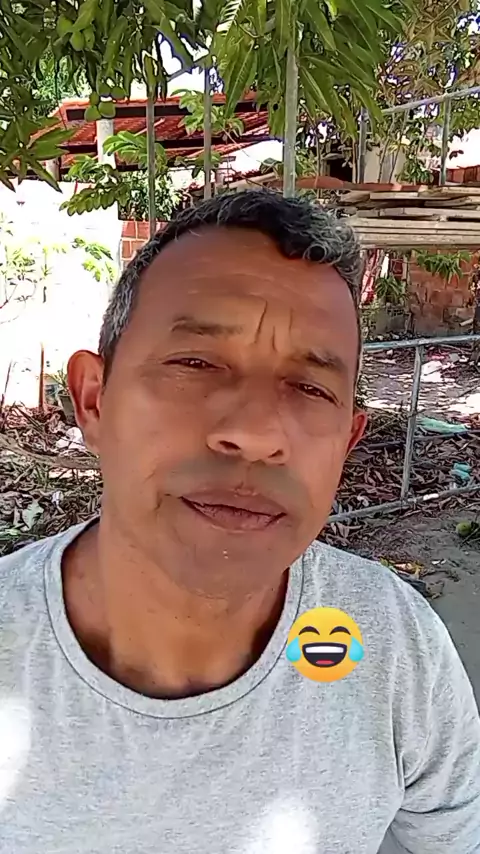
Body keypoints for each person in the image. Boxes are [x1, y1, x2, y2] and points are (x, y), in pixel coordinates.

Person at [0, 191, 479, 854]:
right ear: (93, 400)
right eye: (195, 363)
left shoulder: (396, 646)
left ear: (346, 442)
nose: (256, 434)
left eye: (310, 387)